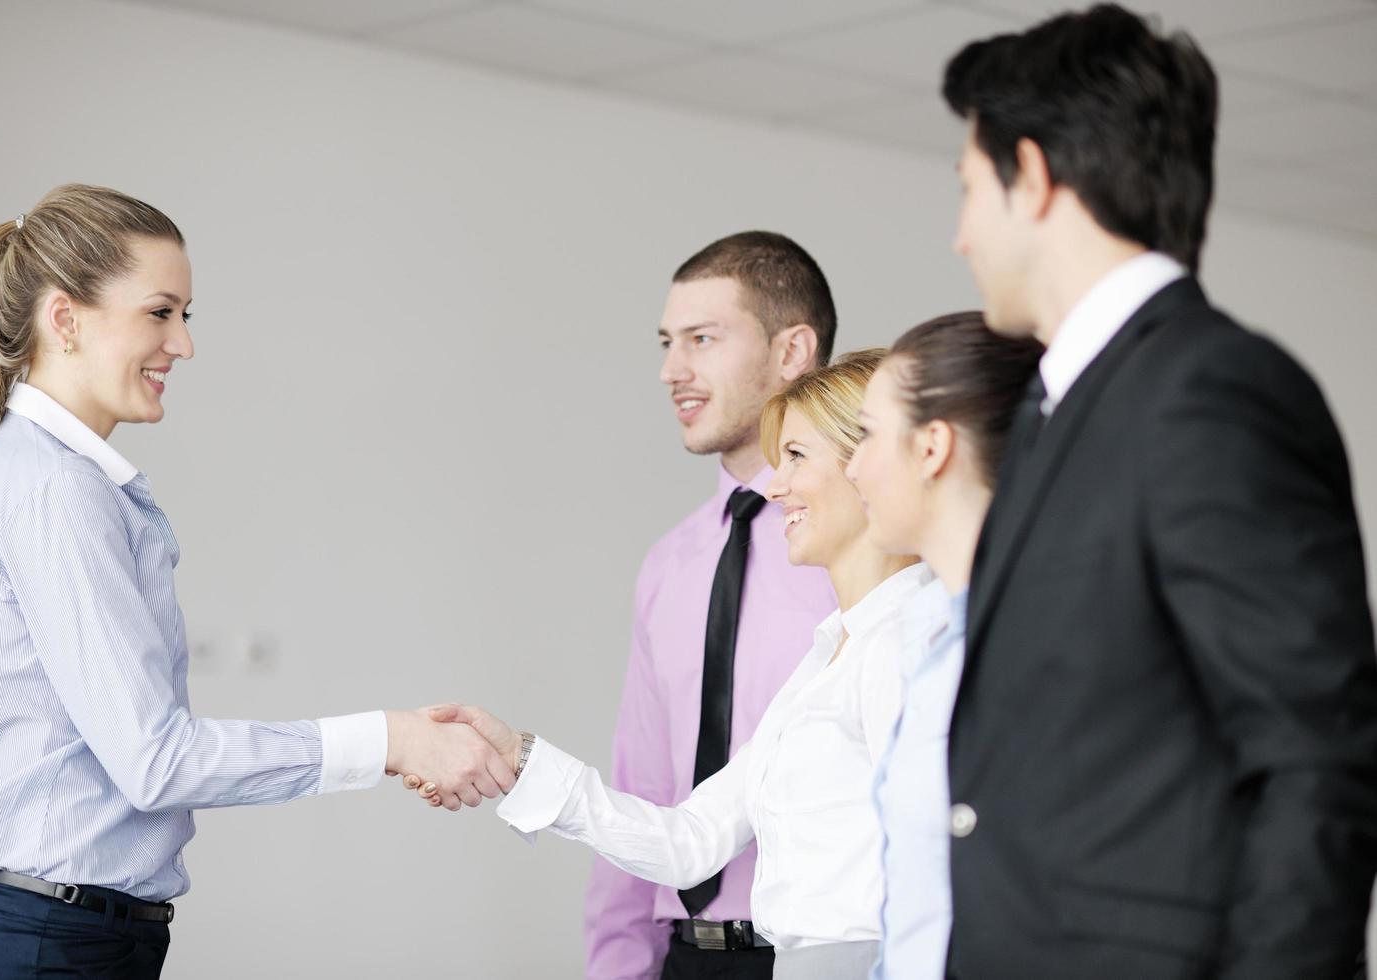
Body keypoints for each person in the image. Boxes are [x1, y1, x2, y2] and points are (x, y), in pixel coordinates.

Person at [0, 184, 511, 979]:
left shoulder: (43, 477)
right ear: (65, 320)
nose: (182, 345)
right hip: (46, 945)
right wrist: (392, 739)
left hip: (63, 936)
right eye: (160, 313)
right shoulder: (54, 489)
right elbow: (156, 762)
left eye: (184, 316)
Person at [938, 6, 1377, 977]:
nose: (961, 234)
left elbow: (1319, 762)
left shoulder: (1209, 391)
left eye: (970, 189)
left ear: (1036, 176)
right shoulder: (1061, 407)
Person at [421, 349, 933, 979]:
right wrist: (520, 758)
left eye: (796, 457)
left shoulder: (909, 641)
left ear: (870, 466)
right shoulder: (826, 660)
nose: (775, 487)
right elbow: (691, 842)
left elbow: (935, 867)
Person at [585, 232, 839, 978]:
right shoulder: (669, 563)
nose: (672, 370)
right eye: (667, 343)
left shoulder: (872, 548)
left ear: (792, 351)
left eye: (702, 339)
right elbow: (641, 787)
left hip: (819, 953)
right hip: (685, 959)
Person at [842, 313, 1041, 980]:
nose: (853, 467)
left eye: (867, 436)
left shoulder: (1041, 652)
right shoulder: (931, 642)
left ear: (932, 447)